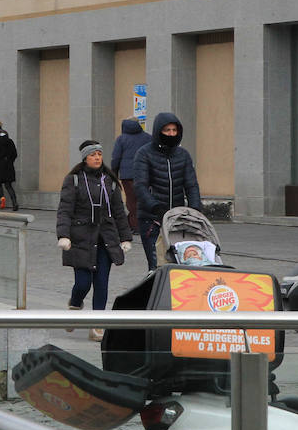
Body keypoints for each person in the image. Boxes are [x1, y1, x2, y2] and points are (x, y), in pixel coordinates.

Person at [57, 140, 133, 341]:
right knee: (83, 283)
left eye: (99, 154)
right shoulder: (73, 180)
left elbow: (119, 212)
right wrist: (63, 235)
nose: (97, 157)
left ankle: (97, 324)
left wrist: (125, 237)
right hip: (81, 238)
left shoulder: (110, 180)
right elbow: (65, 209)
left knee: (101, 283)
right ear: (85, 158)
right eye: (93, 155)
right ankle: (74, 304)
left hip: (106, 238)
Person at [132, 111, 202, 270]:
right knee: (157, 266)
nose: (171, 134)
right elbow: (140, 186)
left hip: (178, 219)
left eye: (174, 130)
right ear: (158, 131)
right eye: (167, 130)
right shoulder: (144, 154)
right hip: (152, 219)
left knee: (181, 264)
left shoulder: (183, 155)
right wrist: (156, 207)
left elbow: (191, 185)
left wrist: (195, 210)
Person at [110, 117, 151, 232]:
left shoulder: (121, 139)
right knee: (144, 199)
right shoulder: (148, 138)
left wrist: (114, 173)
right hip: (145, 174)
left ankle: (135, 226)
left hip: (127, 176)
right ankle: (143, 224)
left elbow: (116, 158)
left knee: (132, 201)